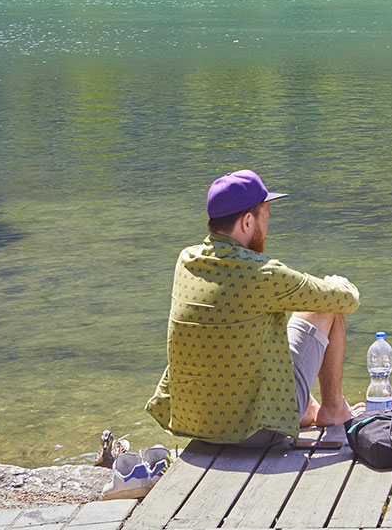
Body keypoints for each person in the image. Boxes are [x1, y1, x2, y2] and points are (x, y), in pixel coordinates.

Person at [148, 170, 360, 447]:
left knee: (252, 327)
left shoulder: (186, 260)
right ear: (248, 221)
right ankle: (333, 411)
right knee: (325, 308)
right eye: (267, 215)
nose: (269, 224)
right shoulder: (261, 273)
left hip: (196, 425)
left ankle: (307, 410)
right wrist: (335, 281)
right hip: (255, 432)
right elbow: (346, 299)